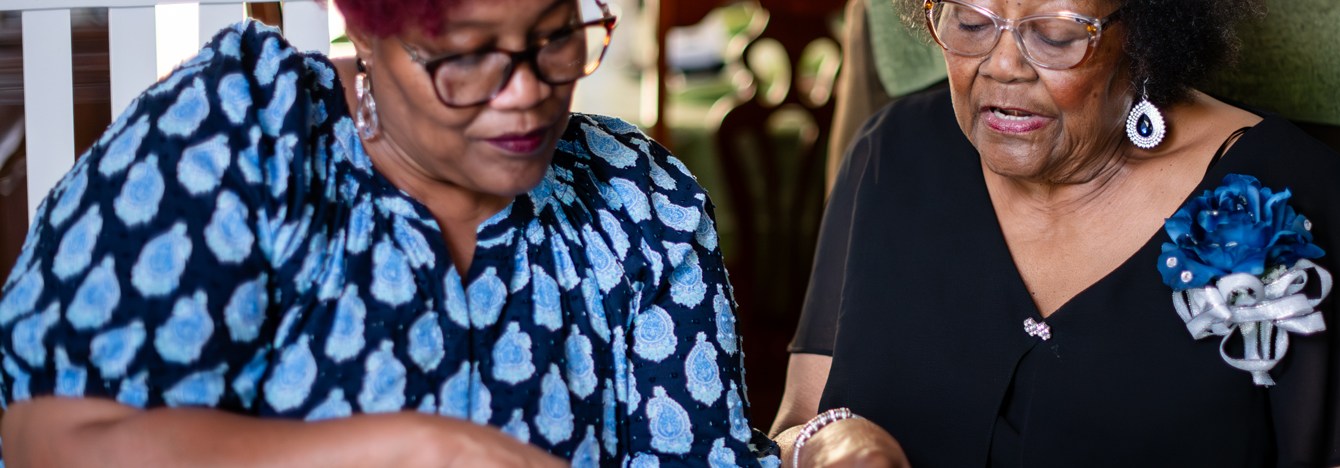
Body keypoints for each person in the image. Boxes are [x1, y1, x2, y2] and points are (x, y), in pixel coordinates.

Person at [0, 0, 779, 466]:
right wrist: (420, 450)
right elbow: (55, 439)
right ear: (362, 32)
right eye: (466, 55)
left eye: (554, 36)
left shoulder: (638, 200)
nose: (525, 93)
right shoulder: (244, 137)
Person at [772, 0, 1340, 466]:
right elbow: (796, 421)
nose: (1001, 65)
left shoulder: (1281, 197)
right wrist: (829, 445)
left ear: (1144, 32)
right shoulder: (890, 156)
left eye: (1054, 35)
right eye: (970, 22)